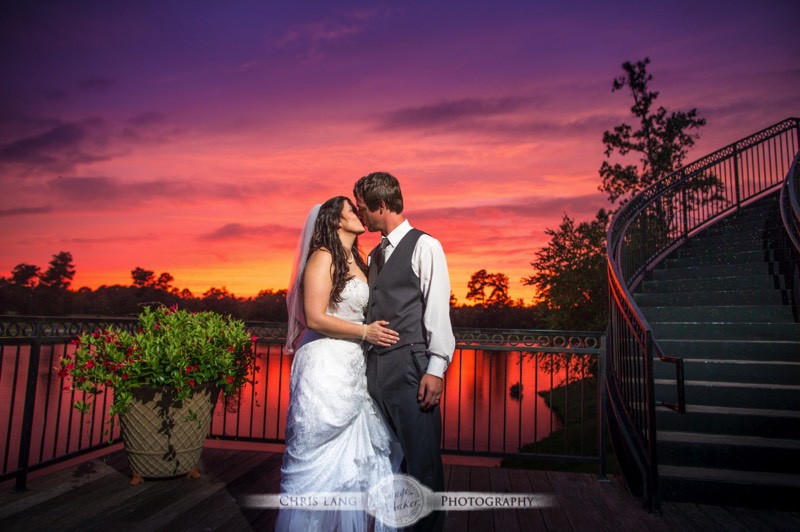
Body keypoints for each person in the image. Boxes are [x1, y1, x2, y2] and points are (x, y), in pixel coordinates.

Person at [276, 196, 402, 532]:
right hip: (324, 366)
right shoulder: (322, 257)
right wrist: (365, 332)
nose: (358, 213)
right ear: (335, 221)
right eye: (350, 210)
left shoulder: (360, 262)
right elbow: (315, 317)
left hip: (353, 367)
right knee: (319, 453)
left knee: (361, 458)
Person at [354, 172, 455, 532]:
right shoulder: (375, 253)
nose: (361, 216)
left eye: (364, 209)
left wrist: (436, 368)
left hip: (411, 370)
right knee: (393, 461)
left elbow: (437, 311)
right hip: (376, 372)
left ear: (382, 206)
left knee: (422, 463)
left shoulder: (426, 246)